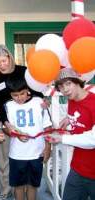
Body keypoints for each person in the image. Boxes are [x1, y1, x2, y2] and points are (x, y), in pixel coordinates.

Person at [0, 44, 43, 200]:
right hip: (7, 120)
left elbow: (37, 93)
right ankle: (6, 190)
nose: (2, 65)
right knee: (6, 158)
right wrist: (6, 124)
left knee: (29, 153)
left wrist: (43, 101)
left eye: (4, 61)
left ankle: (29, 187)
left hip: (28, 118)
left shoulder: (23, 71)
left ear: (9, 58)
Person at [4, 74, 52, 200]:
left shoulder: (39, 103)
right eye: (15, 95)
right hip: (17, 154)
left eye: (22, 94)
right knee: (18, 186)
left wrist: (48, 147)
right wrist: (15, 134)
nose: (19, 98)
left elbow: (47, 127)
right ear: (10, 94)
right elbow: (5, 128)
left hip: (37, 153)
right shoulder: (8, 106)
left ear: (28, 90)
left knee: (32, 185)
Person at [50, 68, 95, 200]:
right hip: (78, 169)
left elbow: (93, 140)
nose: (65, 89)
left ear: (77, 82)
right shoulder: (72, 99)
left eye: (68, 83)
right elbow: (81, 117)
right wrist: (69, 119)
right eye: (61, 86)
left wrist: (62, 138)